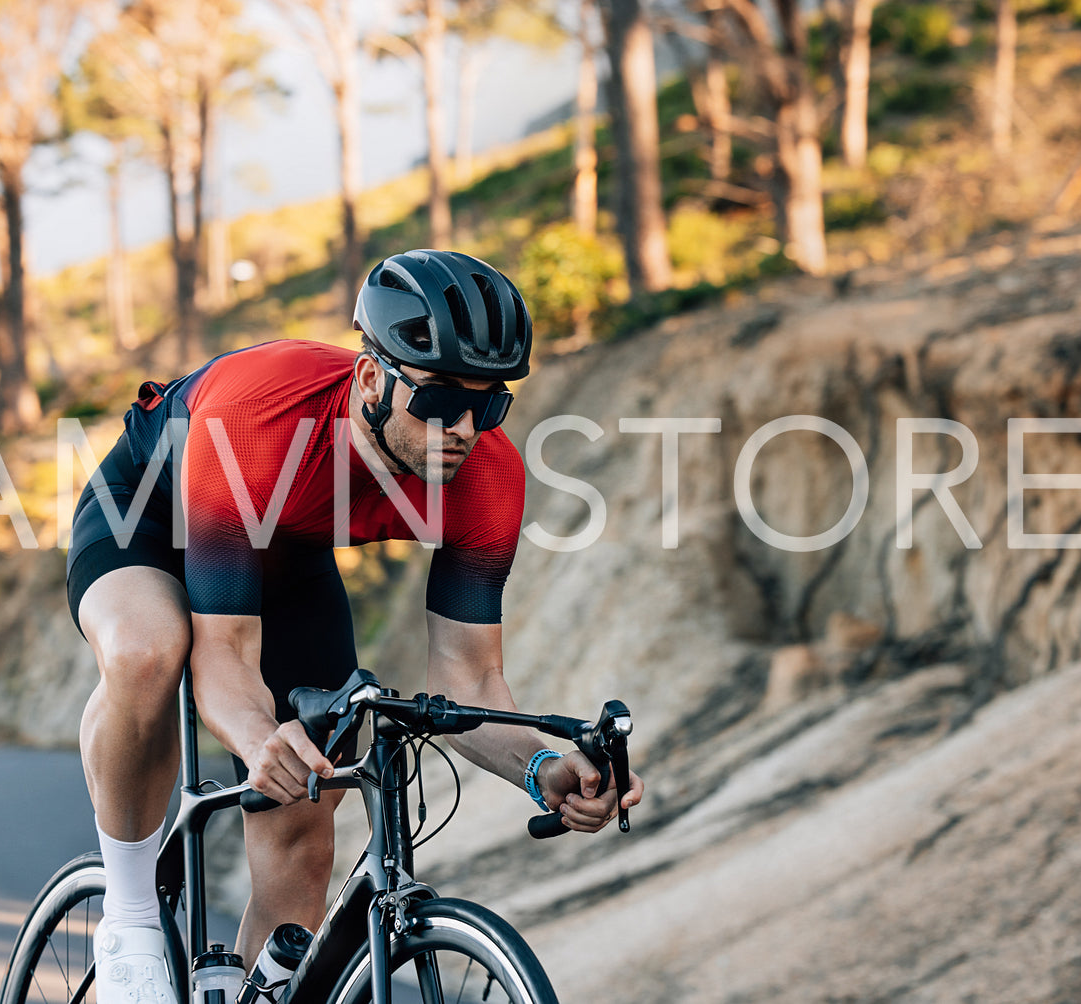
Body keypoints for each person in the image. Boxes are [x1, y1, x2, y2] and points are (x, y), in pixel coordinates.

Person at [64, 249, 646, 1002]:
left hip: (283, 551)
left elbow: (467, 681)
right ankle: (132, 917)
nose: (464, 428)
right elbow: (224, 655)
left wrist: (544, 772)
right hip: (145, 514)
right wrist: (255, 741)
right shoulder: (259, 420)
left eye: (490, 404)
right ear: (371, 378)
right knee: (151, 650)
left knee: (307, 807)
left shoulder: (487, 477)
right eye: (437, 402)